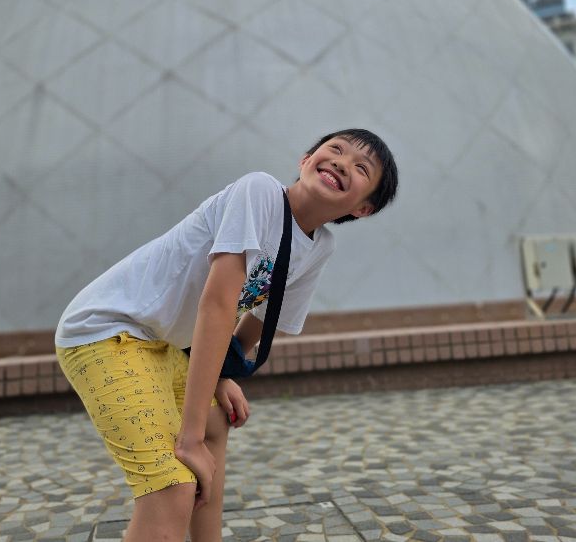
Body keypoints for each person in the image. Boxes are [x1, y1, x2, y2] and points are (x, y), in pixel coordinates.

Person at [55, 128, 398, 542]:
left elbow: (259, 321)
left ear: (363, 208)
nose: (342, 162)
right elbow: (217, 304)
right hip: (106, 329)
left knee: (218, 417)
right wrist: (189, 439)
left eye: (361, 168)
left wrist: (221, 376)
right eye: (335, 150)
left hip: (160, 345)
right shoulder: (259, 191)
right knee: (173, 487)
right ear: (306, 160)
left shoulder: (318, 246)